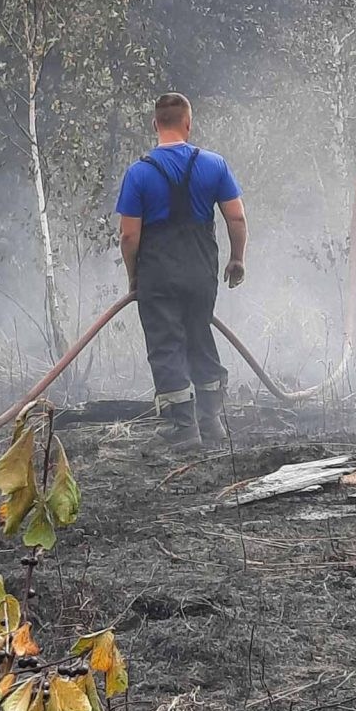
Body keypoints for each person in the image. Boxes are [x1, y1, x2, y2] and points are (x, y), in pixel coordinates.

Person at [116, 93, 248, 452]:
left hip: (158, 272)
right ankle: (211, 421)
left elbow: (129, 236)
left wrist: (134, 276)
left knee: (166, 344)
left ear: (155, 124)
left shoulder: (139, 173)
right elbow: (236, 217)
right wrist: (237, 259)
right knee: (199, 334)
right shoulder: (214, 164)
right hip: (201, 269)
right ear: (188, 124)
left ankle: (183, 427)